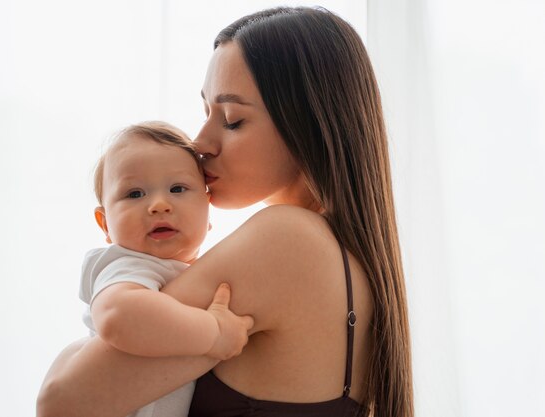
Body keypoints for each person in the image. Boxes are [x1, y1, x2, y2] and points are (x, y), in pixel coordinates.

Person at [37, 6, 413, 417]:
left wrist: (73, 350)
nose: (200, 142)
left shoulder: (286, 239)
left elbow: (61, 402)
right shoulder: (347, 255)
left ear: (309, 123)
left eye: (232, 120)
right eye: (206, 113)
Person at [79, 121, 253, 417]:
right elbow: (117, 316)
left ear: (207, 208)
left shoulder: (194, 270)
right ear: (105, 224)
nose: (159, 205)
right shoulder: (126, 265)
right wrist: (214, 333)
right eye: (134, 194)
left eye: (177, 188)